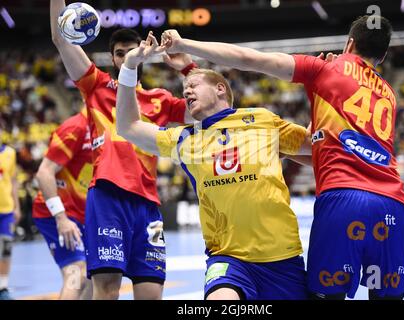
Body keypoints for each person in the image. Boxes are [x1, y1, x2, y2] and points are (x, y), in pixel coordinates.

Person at [160, 15, 404, 300]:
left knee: (326, 295)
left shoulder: (324, 69)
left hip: (344, 197)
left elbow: (248, 58)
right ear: (383, 55)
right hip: (394, 202)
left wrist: (184, 44)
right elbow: (326, 145)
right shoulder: (388, 94)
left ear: (349, 43)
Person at [115, 34, 312, 300]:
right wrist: (129, 67)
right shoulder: (184, 139)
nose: (186, 92)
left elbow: (317, 148)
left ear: (221, 88)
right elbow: (128, 126)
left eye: (193, 86)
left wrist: (323, 91)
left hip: (283, 259)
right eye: (185, 90)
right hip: (228, 260)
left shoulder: (262, 120)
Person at [50, 0, 196, 300]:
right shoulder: (96, 85)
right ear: (114, 59)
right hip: (107, 196)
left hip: (148, 204)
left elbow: (202, 111)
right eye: (120, 53)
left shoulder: (161, 99)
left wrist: (187, 68)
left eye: (132, 50)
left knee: (152, 293)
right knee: (107, 290)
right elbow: (61, 38)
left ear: (143, 51)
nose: (127, 56)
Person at [33, 107, 93, 300]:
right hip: (58, 213)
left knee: (96, 274)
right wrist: (61, 218)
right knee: (77, 272)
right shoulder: (75, 127)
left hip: (84, 212)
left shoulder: (107, 128)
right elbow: (44, 173)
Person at [0, 127, 21, 300]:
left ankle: (3, 287)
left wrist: (17, 206)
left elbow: (13, 181)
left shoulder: (10, 154)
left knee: (6, 250)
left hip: (6, 210)